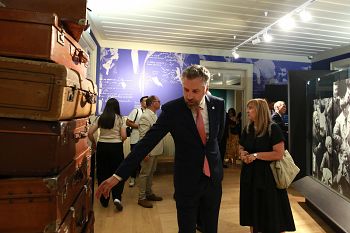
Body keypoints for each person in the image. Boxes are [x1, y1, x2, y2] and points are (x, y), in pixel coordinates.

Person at [96, 65, 225, 233]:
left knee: (210, 228)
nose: (189, 96)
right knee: (186, 229)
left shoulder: (218, 105)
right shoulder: (173, 110)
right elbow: (146, 143)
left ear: (206, 88)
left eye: (195, 91)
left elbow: (216, 139)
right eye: (186, 90)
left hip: (212, 180)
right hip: (186, 180)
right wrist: (118, 175)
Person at [239, 98, 295, 233]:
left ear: (260, 110)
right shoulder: (248, 128)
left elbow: (279, 154)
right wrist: (242, 153)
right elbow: (240, 146)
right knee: (253, 212)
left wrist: (256, 155)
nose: (247, 111)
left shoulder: (273, 128)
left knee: (272, 214)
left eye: (251, 108)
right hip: (250, 176)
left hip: (268, 177)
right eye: (248, 108)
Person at [88, 98, 127, 211]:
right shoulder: (120, 118)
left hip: (102, 146)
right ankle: (117, 198)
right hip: (116, 147)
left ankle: (104, 200)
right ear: (117, 106)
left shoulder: (101, 118)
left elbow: (90, 133)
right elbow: (124, 136)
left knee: (102, 172)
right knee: (117, 172)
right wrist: (119, 142)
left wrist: (94, 144)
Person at [137, 95, 164, 208]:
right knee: (144, 174)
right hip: (149, 151)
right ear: (153, 103)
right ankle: (141, 197)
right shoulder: (145, 116)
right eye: (158, 101)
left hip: (155, 150)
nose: (160, 103)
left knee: (151, 173)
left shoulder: (153, 114)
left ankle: (149, 193)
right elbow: (143, 137)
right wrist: (145, 152)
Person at [126, 96, 148, 187]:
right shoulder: (136, 111)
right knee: (134, 160)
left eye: (148, 101)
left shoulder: (150, 113)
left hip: (146, 140)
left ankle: (144, 181)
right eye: (145, 101)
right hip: (135, 139)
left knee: (145, 160)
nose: (147, 102)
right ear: (141, 102)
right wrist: (140, 127)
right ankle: (132, 178)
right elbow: (128, 122)